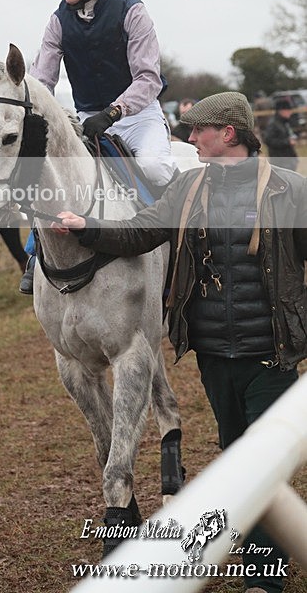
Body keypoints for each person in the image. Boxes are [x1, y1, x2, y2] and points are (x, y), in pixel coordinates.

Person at [55, 92, 306, 593]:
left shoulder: (290, 189)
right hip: (213, 352)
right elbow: (141, 234)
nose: (189, 139)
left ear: (228, 134)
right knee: (237, 452)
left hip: (271, 351)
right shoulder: (187, 187)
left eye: (198, 131)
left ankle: (263, 577)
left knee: (259, 461)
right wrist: (89, 229)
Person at [20, 0, 177, 293]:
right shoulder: (57, 21)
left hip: (138, 116)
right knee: (52, 179)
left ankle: (185, 248)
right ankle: (33, 253)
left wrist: (113, 113)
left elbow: (148, 79)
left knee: (154, 169)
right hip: (88, 120)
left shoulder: (131, 10)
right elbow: (42, 79)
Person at [263, 98, 299, 171]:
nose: (290, 112)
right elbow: (268, 141)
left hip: (288, 160)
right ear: (281, 111)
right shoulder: (273, 124)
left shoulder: (285, 123)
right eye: (288, 110)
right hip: (280, 161)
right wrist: (287, 142)